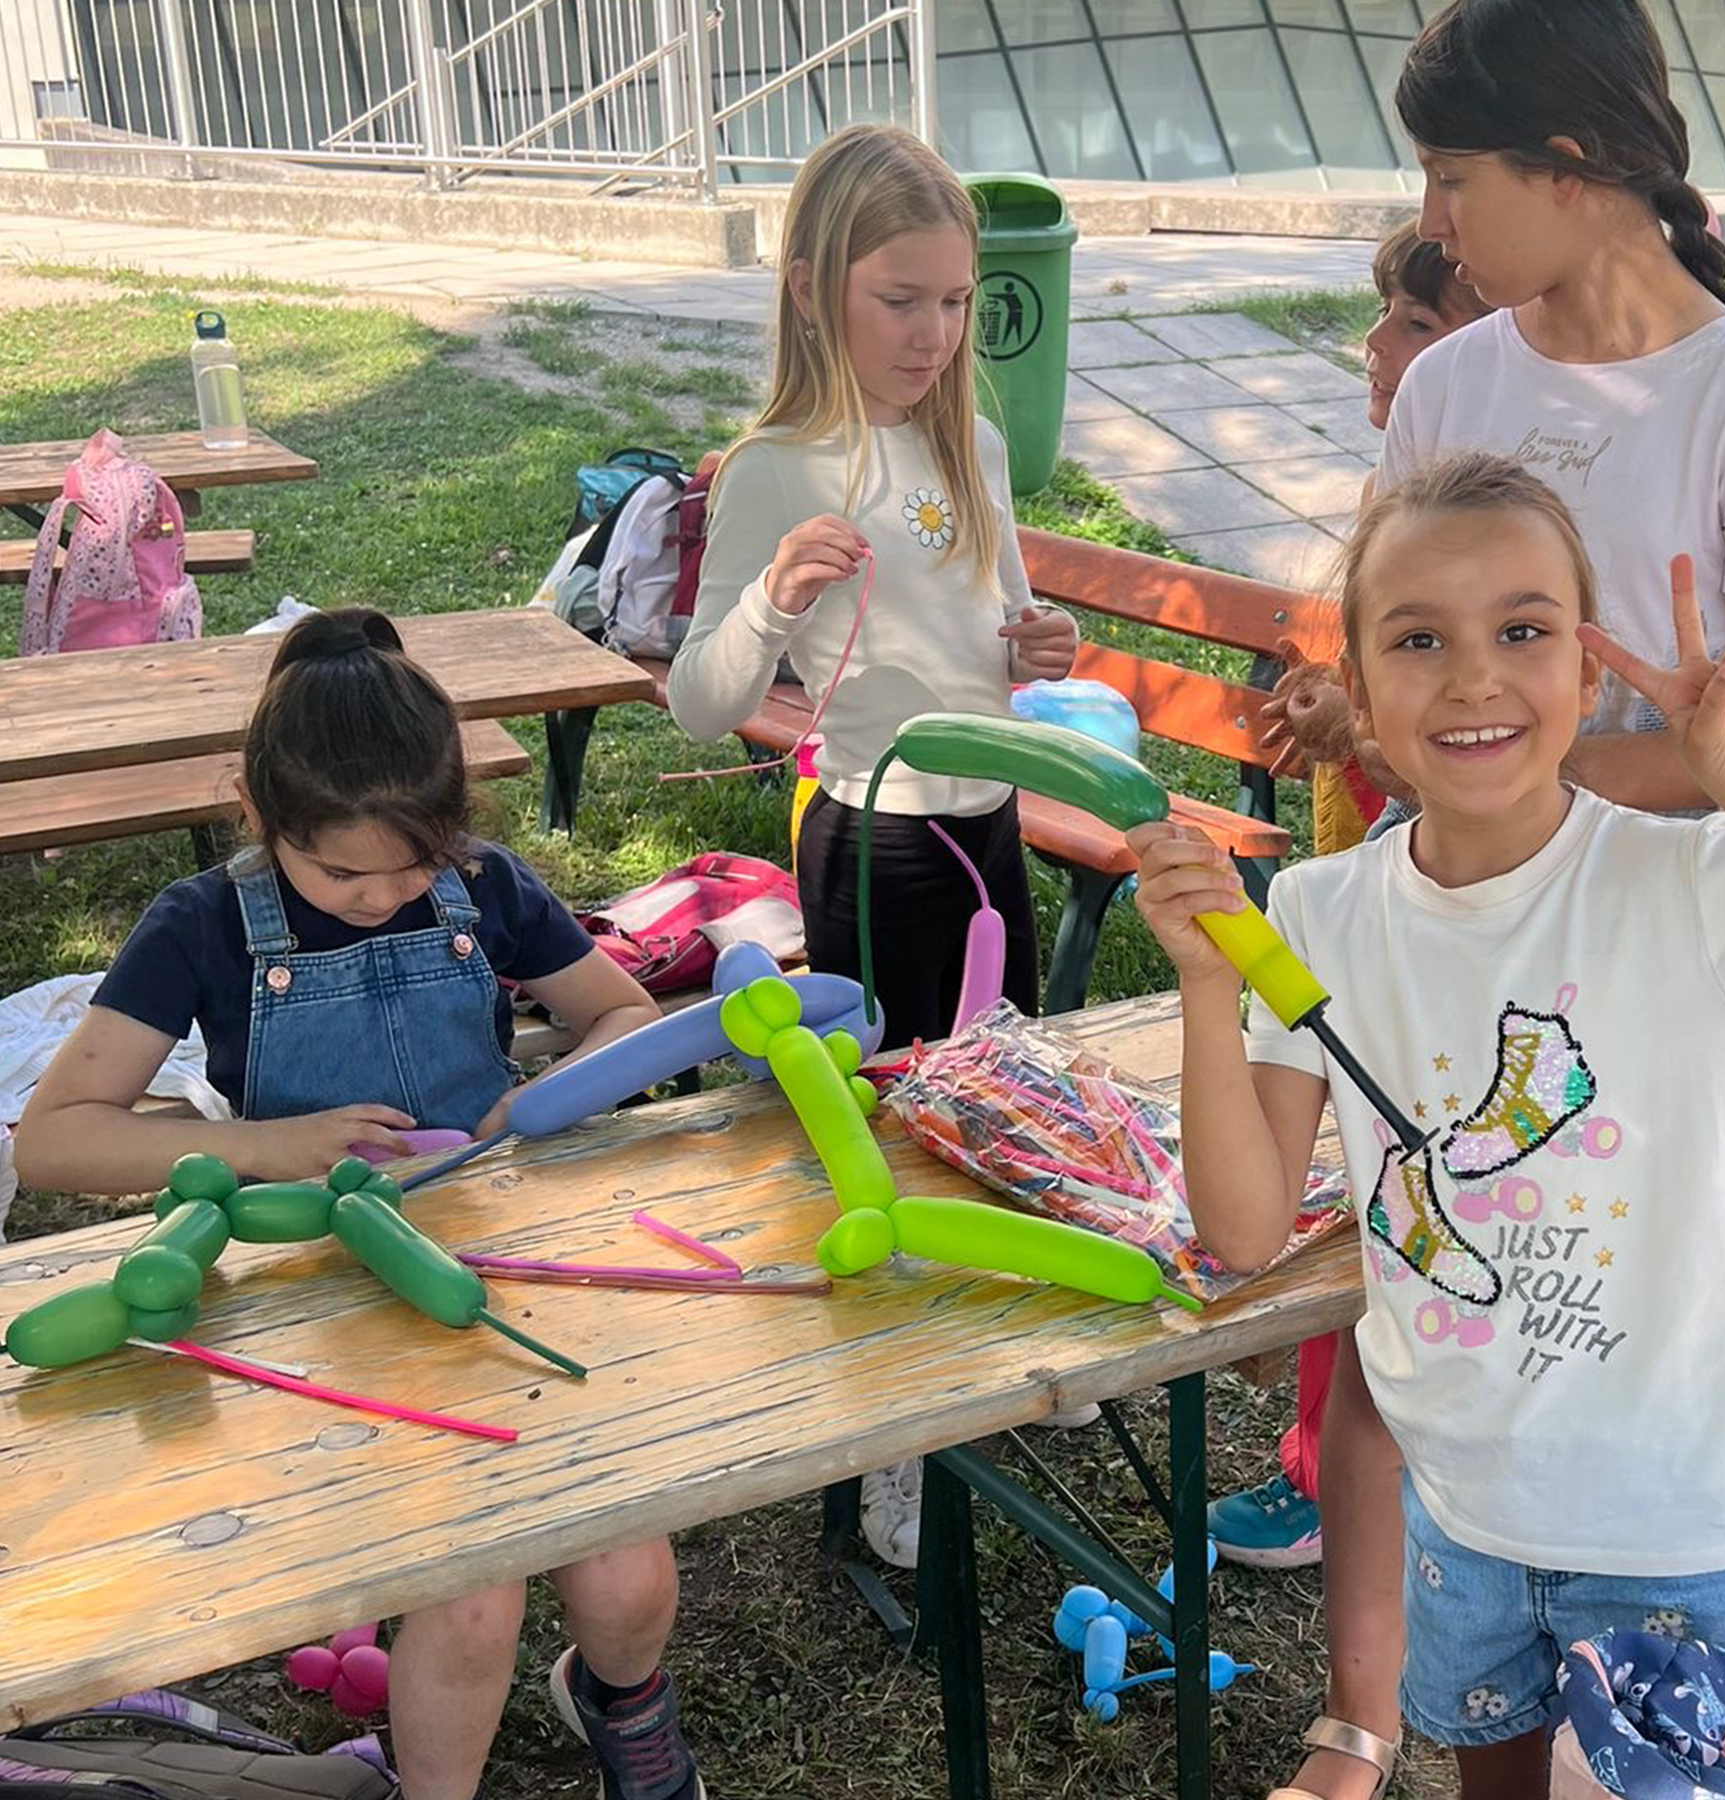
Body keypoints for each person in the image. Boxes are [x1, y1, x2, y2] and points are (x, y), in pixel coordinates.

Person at [1131, 451, 1725, 1800]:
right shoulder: (1319, 918)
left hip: (1686, 1535)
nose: (1472, 678)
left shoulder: (1690, 880)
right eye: (1419, 640)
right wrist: (1209, 985)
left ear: (1589, 676)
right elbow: (1237, 1229)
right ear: (1357, 688)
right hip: (1460, 1522)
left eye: (1522, 631)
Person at [1260, 2, 1725, 1791]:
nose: (1435, 218)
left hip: (1647, 934)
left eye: (1455, 174)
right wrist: (1398, 716)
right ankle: (1384, 1706)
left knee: (1596, 1296)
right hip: (1441, 916)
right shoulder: (1455, 381)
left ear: (1577, 168)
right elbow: (1408, 619)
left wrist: (1552, 771)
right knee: (1416, 1316)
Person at [15, 608, 692, 1800]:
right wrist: (264, 1144)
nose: (382, 896)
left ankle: (615, 1702)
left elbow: (627, 1014)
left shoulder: (484, 887)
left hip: (502, 1252)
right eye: (339, 872)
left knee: (629, 1583)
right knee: (474, 1603)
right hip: (320, 1291)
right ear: (257, 813)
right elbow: (53, 1142)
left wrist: (527, 1109)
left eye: (414, 864)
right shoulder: (204, 923)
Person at [666, 122, 1084, 1571]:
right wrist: (775, 597)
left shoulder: (966, 440)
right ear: (810, 287)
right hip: (875, 843)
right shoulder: (779, 467)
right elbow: (700, 696)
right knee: (891, 1137)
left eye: (957, 301)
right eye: (901, 297)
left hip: (991, 831)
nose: (935, 331)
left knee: (1007, 1099)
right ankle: (900, 1442)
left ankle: (1022, 1327)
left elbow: (993, 623)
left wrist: (1038, 640)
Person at [1211, 223, 1490, 1575]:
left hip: (1426, 927)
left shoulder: (1469, 530)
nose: (1377, 350)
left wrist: (1361, 737)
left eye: (1411, 325)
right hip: (1365, 889)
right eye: (1383, 319)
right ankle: (1332, 1458)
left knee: (1395, 1197)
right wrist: (1339, 716)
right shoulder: (1405, 497)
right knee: (1351, 1193)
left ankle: (1338, 1474)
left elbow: (1464, 766)